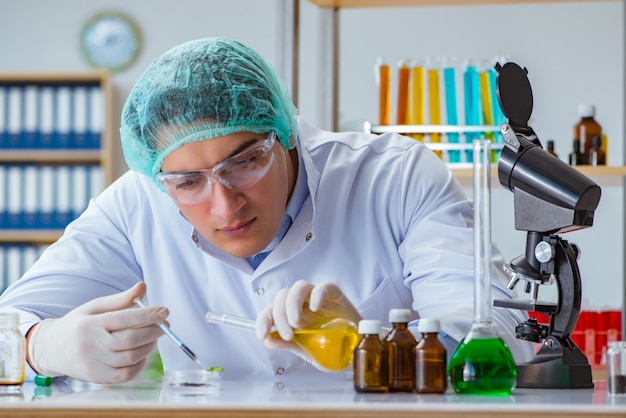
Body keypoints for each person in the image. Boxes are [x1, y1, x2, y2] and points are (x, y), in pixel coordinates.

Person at [0, 37, 534, 384]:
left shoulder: (393, 177)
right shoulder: (136, 202)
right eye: (188, 181)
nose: (224, 203)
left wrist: (370, 341)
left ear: (285, 134)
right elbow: (8, 325)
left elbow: (500, 343)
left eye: (246, 162)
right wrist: (41, 345)